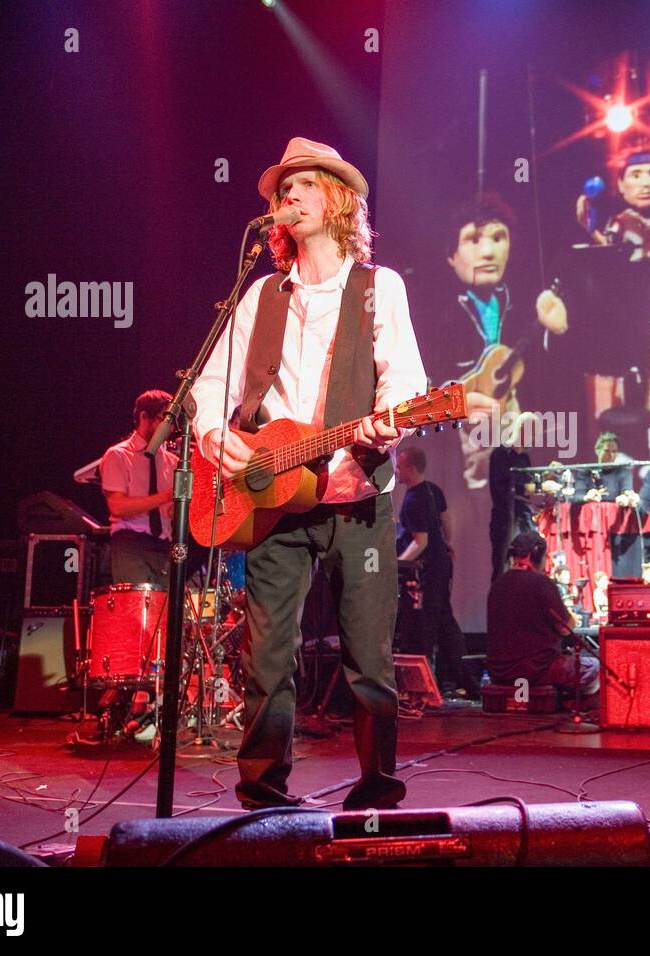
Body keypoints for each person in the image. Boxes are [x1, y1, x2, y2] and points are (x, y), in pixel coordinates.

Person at [191, 137, 426, 812]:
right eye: (278, 190)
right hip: (271, 498)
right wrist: (215, 437)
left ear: (337, 199)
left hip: (354, 495)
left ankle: (376, 789)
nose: (282, 197)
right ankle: (263, 795)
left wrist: (388, 424)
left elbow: (406, 383)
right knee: (267, 658)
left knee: (369, 661)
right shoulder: (261, 294)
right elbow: (210, 384)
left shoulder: (382, 287)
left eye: (299, 186)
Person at [426, 194, 569, 489]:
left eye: (498, 238)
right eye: (474, 240)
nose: (488, 252)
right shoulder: (434, 310)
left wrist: (555, 331)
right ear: (451, 255)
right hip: (457, 430)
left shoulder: (519, 303)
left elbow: (551, 372)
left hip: (511, 415)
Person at [486, 531, 598, 701]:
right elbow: (565, 628)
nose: (545, 563)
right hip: (536, 671)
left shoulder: (497, 584)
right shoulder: (542, 583)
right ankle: (574, 707)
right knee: (594, 666)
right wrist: (572, 617)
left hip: (500, 673)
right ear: (535, 554)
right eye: (545, 557)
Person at [395, 446, 469, 696]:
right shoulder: (434, 490)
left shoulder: (414, 499)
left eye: (400, 465)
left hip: (431, 568)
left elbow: (420, 542)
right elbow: (446, 521)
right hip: (441, 564)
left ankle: (424, 689)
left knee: (427, 625)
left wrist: (398, 564)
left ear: (411, 469)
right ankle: (464, 681)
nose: (396, 469)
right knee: (444, 621)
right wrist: (447, 543)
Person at [100, 390, 179, 587]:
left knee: (164, 613)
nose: (170, 428)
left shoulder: (173, 462)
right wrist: (166, 496)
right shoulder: (118, 455)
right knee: (137, 611)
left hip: (164, 545)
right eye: (165, 418)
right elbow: (117, 507)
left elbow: (172, 513)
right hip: (130, 542)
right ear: (144, 417)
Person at [575, 146, 650, 260]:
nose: (645, 183)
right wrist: (591, 228)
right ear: (621, 185)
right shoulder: (621, 222)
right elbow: (609, 248)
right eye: (636, 175)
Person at [488, 412, 539, 580]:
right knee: (502, 567)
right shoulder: (501, 455)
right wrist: (533, 487)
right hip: (505, 520)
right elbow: (502, 487)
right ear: (522, 429)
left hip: (523, 517)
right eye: (533, 431)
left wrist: (544, 479)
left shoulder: (524, 457)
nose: (535, 437)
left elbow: (529, 486)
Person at [571, 431, 635, 502]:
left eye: (614, 451)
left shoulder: (624, 473)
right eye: (607, 451)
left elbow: (627, 493)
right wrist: (586, 497)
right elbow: (576, 497)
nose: (611, 455)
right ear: (597, 450)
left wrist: (625, 498)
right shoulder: (584, 473)